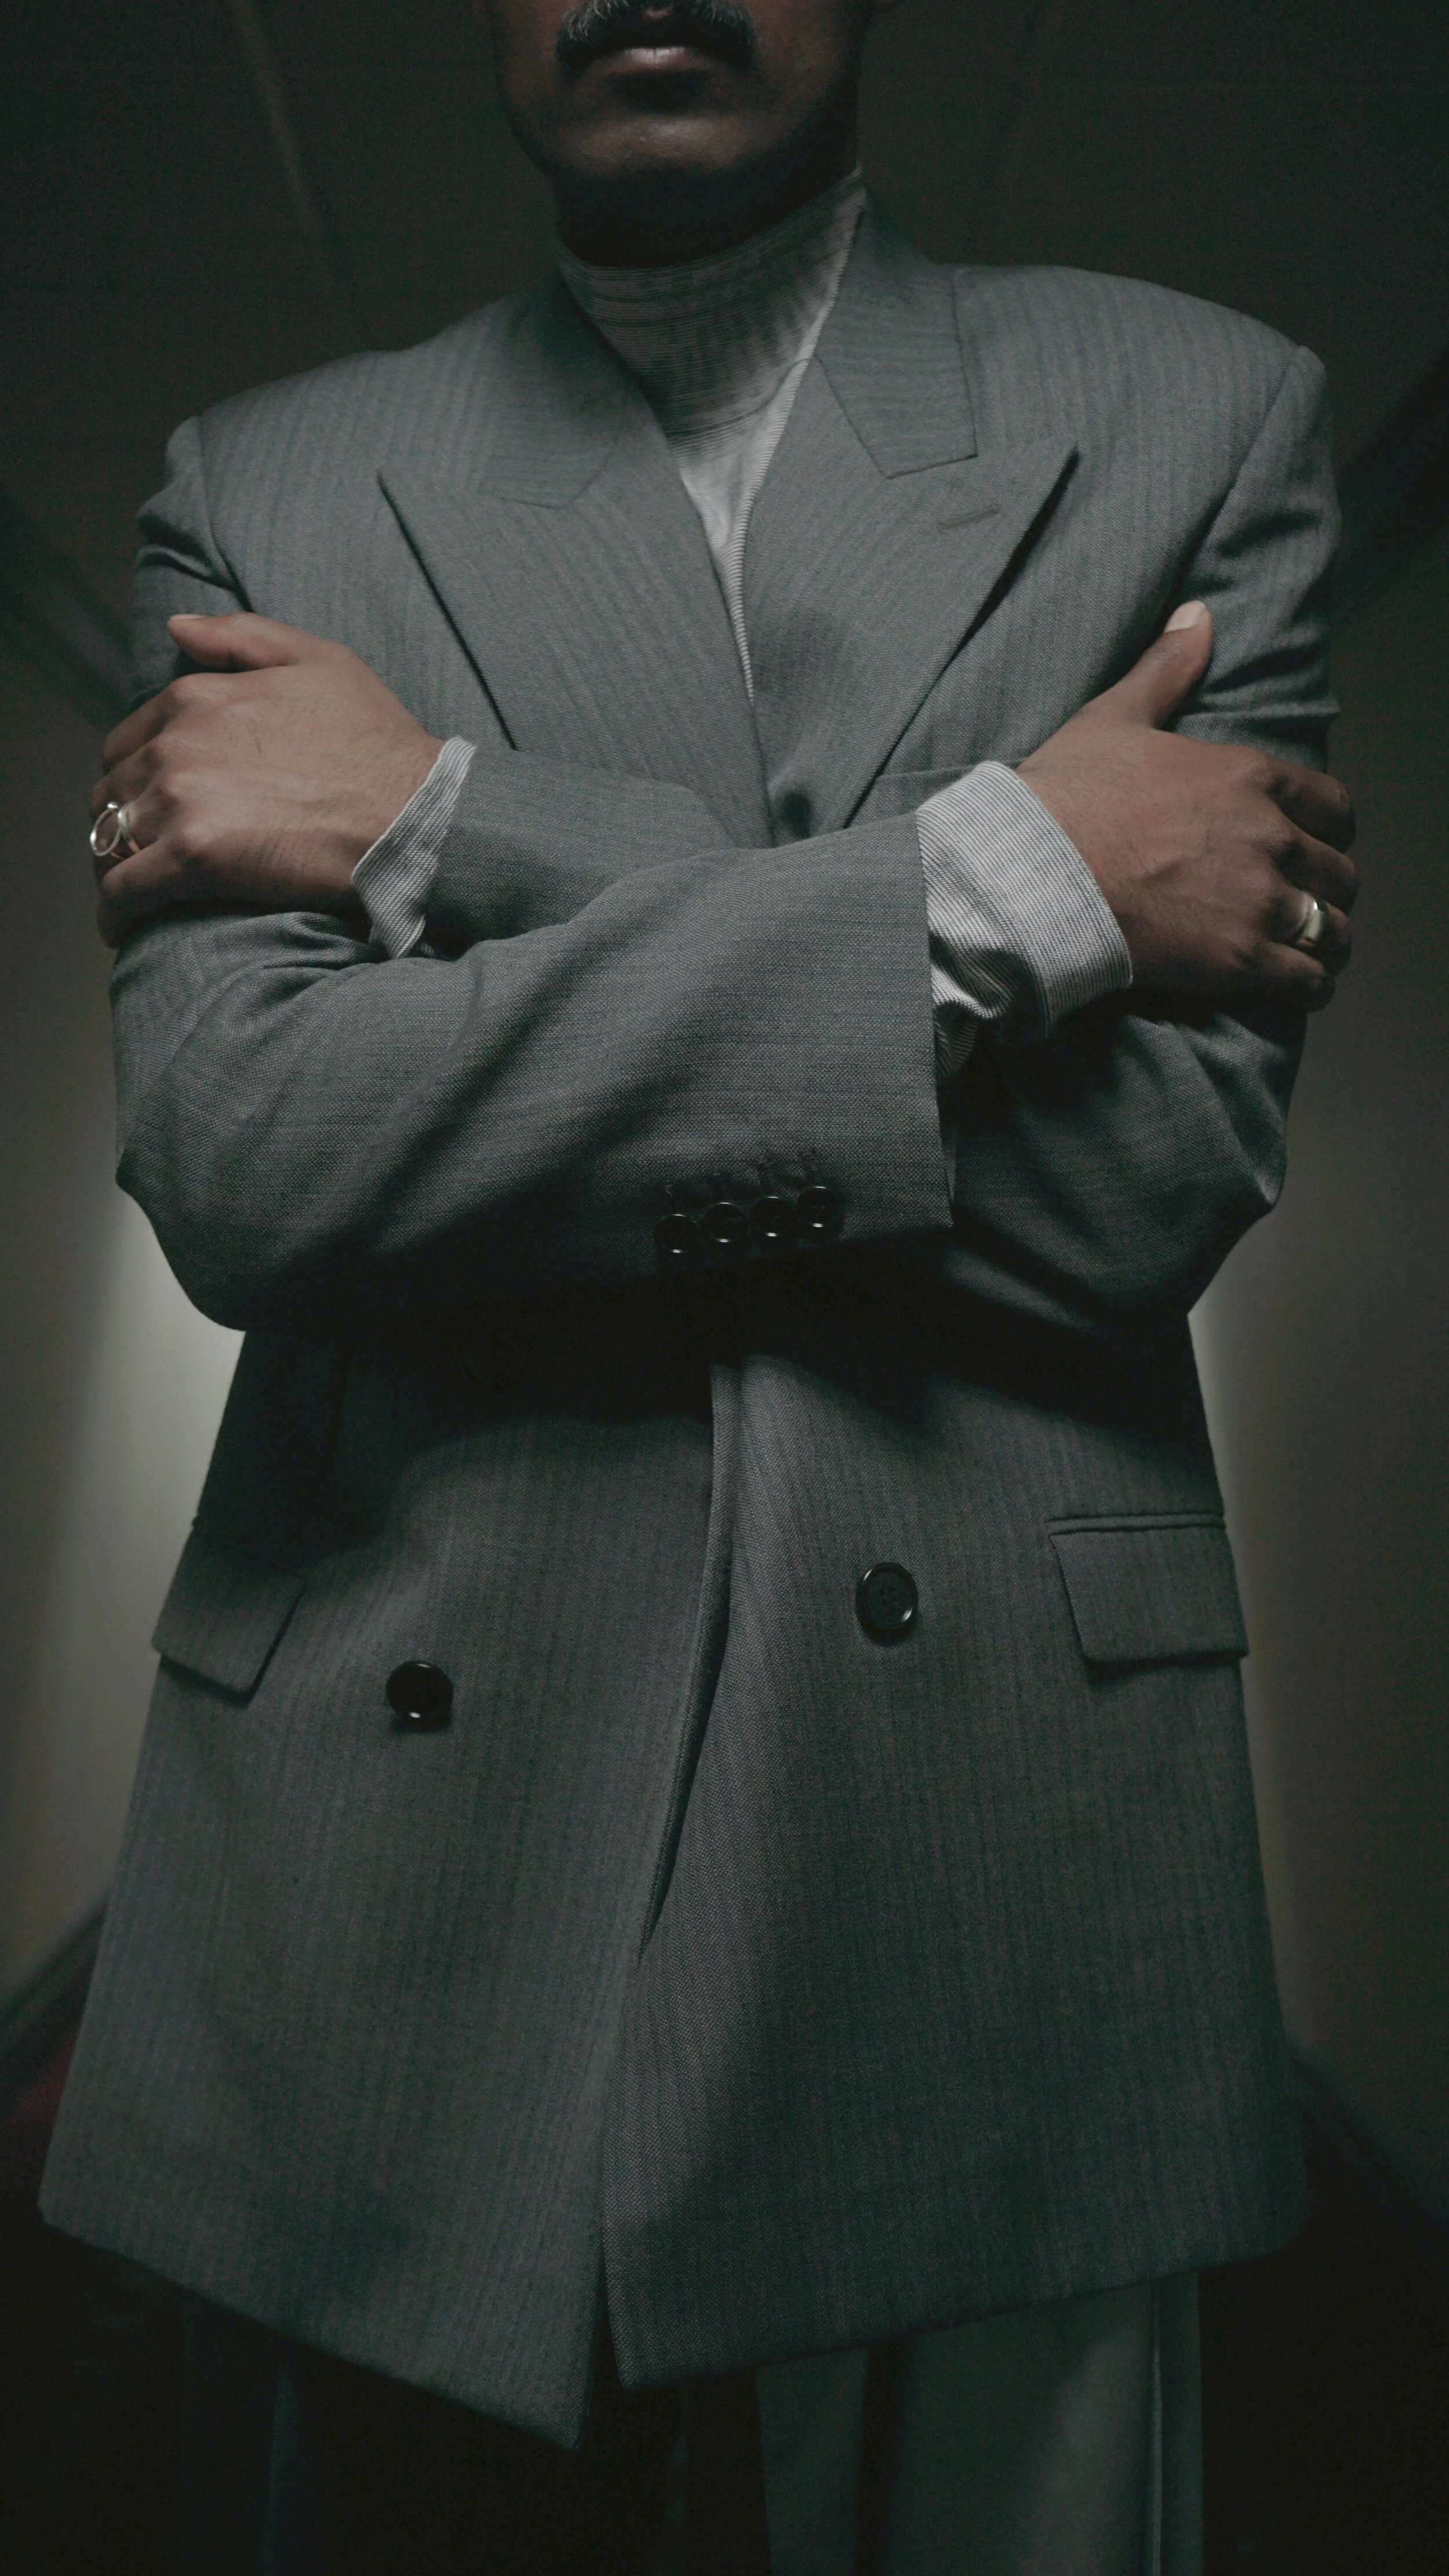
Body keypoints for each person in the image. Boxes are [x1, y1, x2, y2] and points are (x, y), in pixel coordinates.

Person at [46, 1, 1357, 2568]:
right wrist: (1007, 892)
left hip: (988, 1796)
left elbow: (1142, 1187)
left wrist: (442, 824)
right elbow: (251, 1157)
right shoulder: (266, 484)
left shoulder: (1193, 410)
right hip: (408, 1796)